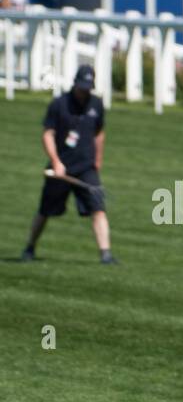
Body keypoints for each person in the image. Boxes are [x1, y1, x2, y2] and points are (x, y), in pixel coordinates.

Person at [22, 65, 117, 264]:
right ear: (74, 83)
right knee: (45, 210)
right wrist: (56, 162)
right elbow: (48, 134)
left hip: (87, 168)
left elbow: (99, 132)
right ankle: (30, 247)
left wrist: (98, 160)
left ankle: (105, 254)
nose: (84, 91)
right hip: (61, 169)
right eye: (82, 87)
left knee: (98, 208)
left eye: (88, 87)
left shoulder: (96, 105)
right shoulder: (59, 104)